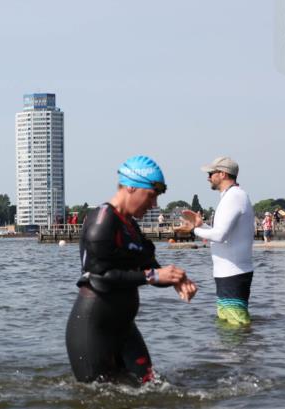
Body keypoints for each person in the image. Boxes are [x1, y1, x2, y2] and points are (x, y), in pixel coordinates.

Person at [66, 156, 197, 384]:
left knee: (150, 387)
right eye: (151, 196)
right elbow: (101, 276)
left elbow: (148, 264)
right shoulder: (102, 220)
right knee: (99, 404)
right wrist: (154, 275)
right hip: (94, 328)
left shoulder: (129, 224)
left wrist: (175, 278)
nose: (154, 204)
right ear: (131, 186)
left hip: (124, 326)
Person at [181, 156, 255, 326]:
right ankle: (237, 351)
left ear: (222, 174)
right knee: (229, 324)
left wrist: (193, 230)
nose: (208, 177)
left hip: (233, 272)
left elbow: (220, 236)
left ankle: (241, 352)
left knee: (236, 325)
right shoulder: (231, 196)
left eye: (211, 173)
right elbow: (223, 233)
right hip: (228, 272)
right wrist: (201, 225)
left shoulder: (234, 197)